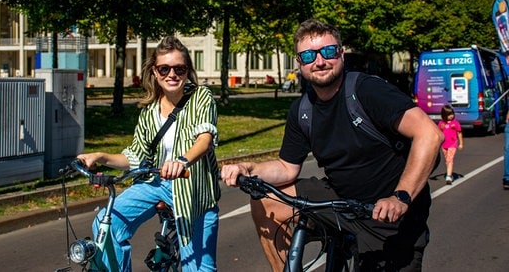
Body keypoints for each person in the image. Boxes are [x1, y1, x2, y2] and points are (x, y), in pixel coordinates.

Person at [221, 18, 443, 271]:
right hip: (341, 201)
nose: (319, 61)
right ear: (299, 63)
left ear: (341, 54)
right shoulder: (302, 110)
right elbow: (286, 167)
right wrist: (248, 168)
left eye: (328, 51)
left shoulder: (366, 90)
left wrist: (400, 196)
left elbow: (429, 134)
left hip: (390, 216)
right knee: (265, 199)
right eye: (308, 56)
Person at [77, 36, 220, 271]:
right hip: (156, 182)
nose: (171, 74)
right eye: (164, 68)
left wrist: (182, 161)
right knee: (107, 223)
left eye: (179, 68)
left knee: (199, 268)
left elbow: (204, 139)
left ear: (187, 71)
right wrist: (100, 156)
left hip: (193, 189)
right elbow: (133, 156)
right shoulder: (149, 112)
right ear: (155, 71)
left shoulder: (201, 98)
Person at [437, 105, 463, 185]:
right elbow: (439, 133)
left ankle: (448, 176)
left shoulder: (455, 123)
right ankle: (450, 174)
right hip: (444, 145)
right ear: (444, 115)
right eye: (448, 115)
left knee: (450, 159)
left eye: (452, 114)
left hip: (452, 144)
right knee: (447, 160)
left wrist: (461, 143)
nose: (451, 116)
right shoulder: (441, 123)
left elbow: (459, 133)